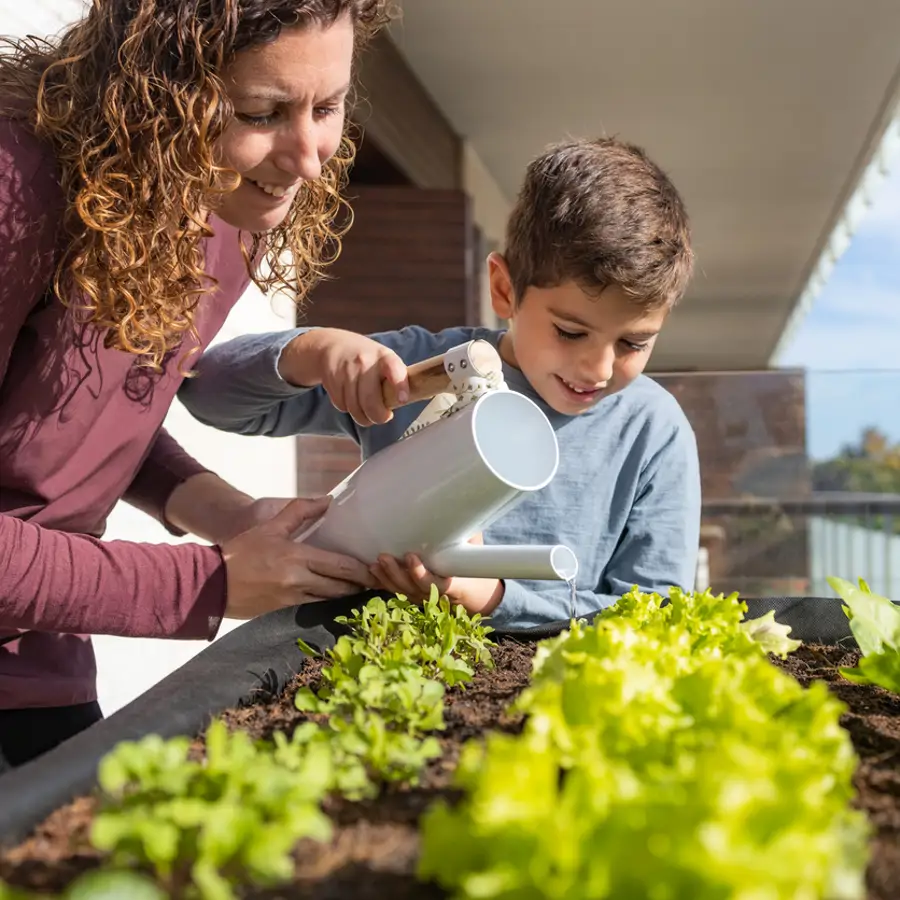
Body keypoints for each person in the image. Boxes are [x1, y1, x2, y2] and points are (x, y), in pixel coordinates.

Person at [0, 0, 391, 772]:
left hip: (41, 672)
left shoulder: (220, 205)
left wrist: (234, 516)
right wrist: (209, 584)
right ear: (155, 92)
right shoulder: (17, 185)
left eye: (329, 107)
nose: (309, 157)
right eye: (262, 112)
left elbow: (77, 415)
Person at [180, 136, 703, 629]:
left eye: (633, 344)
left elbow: (656, 616)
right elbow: (206, 394)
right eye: (570, 332)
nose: (599, 369)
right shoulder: (428, 367)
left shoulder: (653, 431)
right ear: (504, 289)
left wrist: (494, 598)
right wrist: (311, 352)